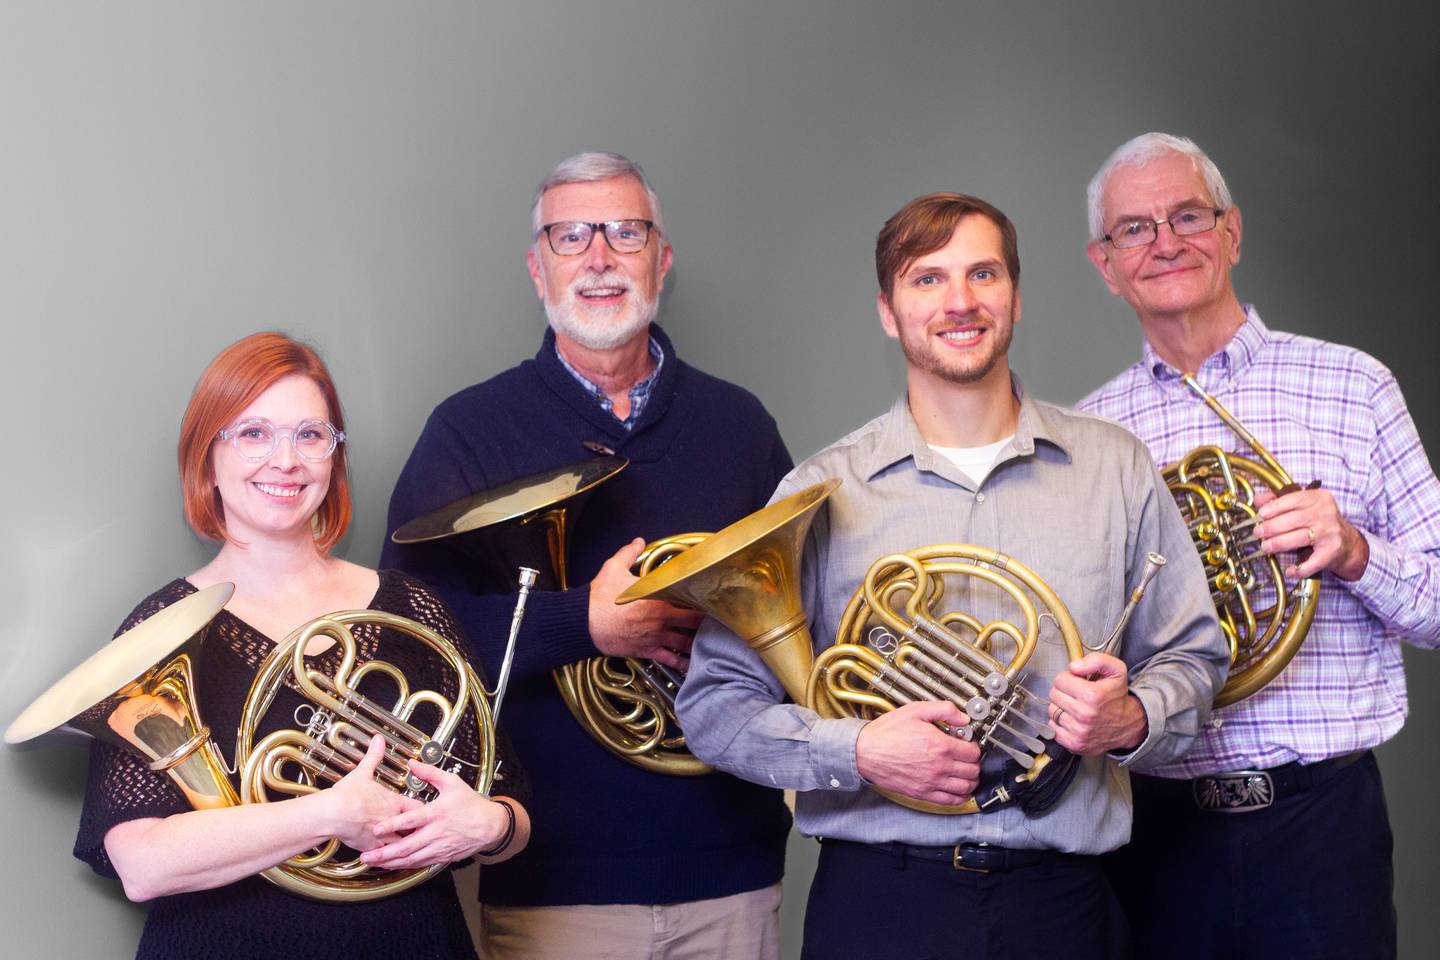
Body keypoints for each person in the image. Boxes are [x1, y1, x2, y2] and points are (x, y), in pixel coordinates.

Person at [676, 192, 1229, 959]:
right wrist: (859, 751)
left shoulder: (1115, 466)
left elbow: (1194, 657)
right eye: (927, 279)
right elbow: (714, 707)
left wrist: (1131, 718)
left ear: (1016, 296)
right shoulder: (820, 490)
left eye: (983, 274)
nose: (960, 301)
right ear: (887, 310)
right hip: (881, 900)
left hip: (1064, 902)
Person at [382, 152, 794, 959]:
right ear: (538, 269)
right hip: (550, 884)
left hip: (731, 873)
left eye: (625, 232)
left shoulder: (739, 424)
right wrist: (585, 623)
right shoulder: (468, 429)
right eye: (571, 237)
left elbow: (797, 604)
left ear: (662, 260)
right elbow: (408, 637)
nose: (599, 256)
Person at [1079, 132, 1440, 959]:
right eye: (1134, 229)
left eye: (1187, 216)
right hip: (1158, 830)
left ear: (1231, 232)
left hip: (1321, 830)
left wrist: (1353, 550)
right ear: (1105, 264)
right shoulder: (1092, 433)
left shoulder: (1353, 383)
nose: (1165, 242)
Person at [74, 332, 529, 960]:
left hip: (414, 942)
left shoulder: (411, 606)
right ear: (208, 458)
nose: (285, 460)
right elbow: (142, 864)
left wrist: (491, 824)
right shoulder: (164, 627)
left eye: (310, 435)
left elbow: (513, 805)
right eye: (254, 433)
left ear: (333, 459)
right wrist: (326, 814)